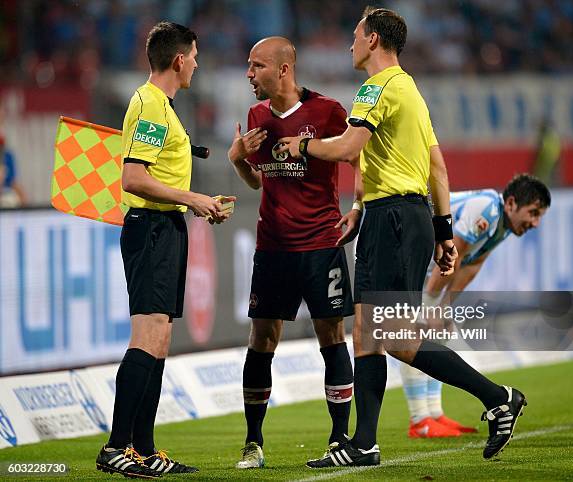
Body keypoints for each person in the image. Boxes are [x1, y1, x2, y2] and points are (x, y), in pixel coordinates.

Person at [278, 7, 528, 466]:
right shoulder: (410, 89)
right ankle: (365, 444)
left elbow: (350, 148)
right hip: (400, 215)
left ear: (373, 39)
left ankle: (497, 397)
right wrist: (439, 229)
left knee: (390, 335)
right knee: (367, 335)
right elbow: (436, 166)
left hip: (393, 217)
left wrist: (305, 146)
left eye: (355, 35)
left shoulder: (376, 87)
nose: (350, 43)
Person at [95, 21, 233, 478]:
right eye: (194, 55)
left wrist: (194, 204)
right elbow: (133, 177)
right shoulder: (152, 106)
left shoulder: (163, 107)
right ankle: (117, 447)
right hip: (150, 228)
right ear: (179, 59)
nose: (196, 62)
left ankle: (143, 448)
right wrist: (193, 198)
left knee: (160, 339)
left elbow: (156, 176)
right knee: (148, 336)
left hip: (165, 226)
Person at [227, 36, 361, 469]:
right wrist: (237, 161)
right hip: (274, 247)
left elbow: (360, 158)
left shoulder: (327, 111)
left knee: (332, 337)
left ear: (283, 69)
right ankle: (252, 443)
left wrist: (357, 206)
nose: (249, 74)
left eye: (257, 66)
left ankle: (339, 438)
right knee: (262, 339)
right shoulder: (255, 115)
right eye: (249, 66)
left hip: (321, 245)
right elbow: (257, 180)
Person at [401, 174, 551, 439]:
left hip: (421, 265)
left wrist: (444, 306)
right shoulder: (487, 210)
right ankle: (419, 420)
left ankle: (434, 414)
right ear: (512, 203)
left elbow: (471, 266)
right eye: (534, 213)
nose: (536, 223)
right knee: (413, 333)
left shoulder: (502, 225)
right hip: (403, 255)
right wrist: (431, 304)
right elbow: (451, 253)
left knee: (439, 331)